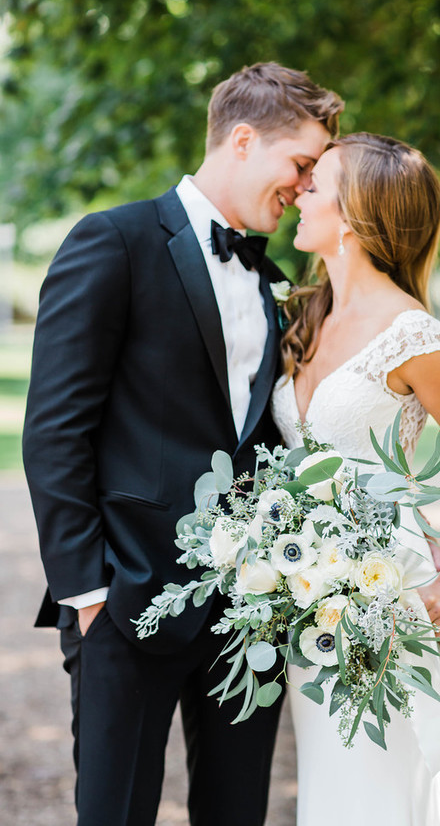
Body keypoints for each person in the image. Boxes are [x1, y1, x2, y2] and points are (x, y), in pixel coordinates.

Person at [22, 62, 343, 826]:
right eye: (300, 163)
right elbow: (55, 427)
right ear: (242, 139)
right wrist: (88, 593)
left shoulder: (271, 282)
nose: (304, 186)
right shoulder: (114, 241)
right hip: (126, 602)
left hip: (246, 615)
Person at [271, 132, 440, 825]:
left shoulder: (414, 335)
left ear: (352, 214)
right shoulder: (306, 315)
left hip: (386, 593)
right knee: (332, 783)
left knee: (375, 785)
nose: (298, 193)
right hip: (305, 598)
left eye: (314, 184)